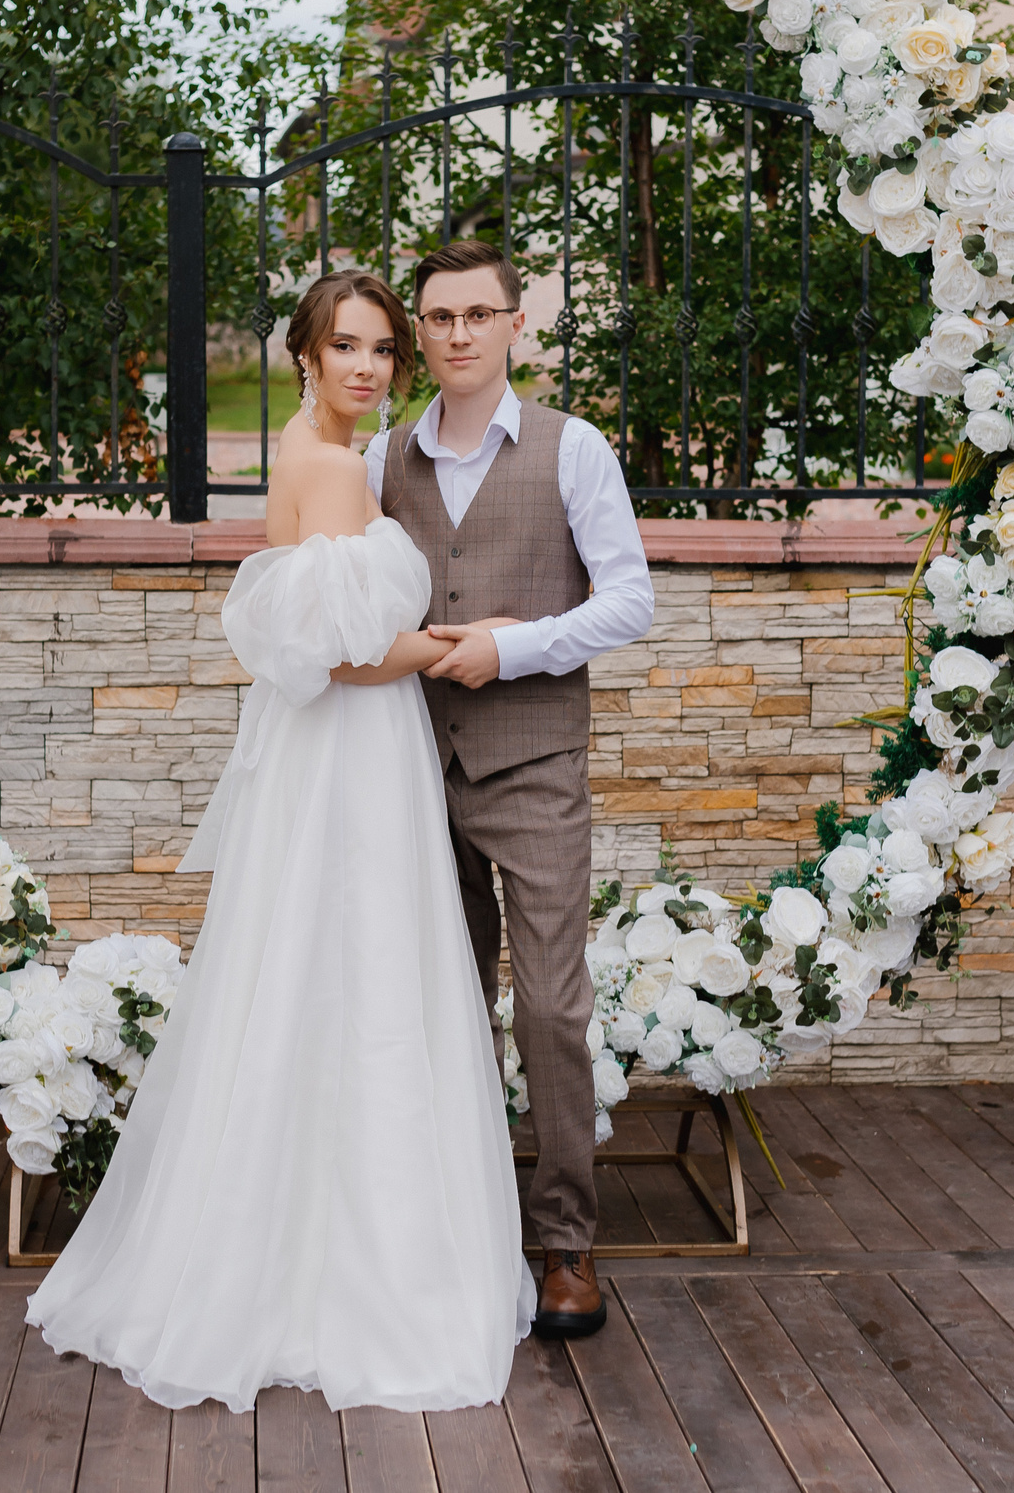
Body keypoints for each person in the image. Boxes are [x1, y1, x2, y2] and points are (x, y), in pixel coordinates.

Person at [25, 270, 534, 1413]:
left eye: (382, 349)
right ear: (304, 353)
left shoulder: (315, 452)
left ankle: (287, 1242)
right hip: (351, 751)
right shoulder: (331, 466)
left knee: (310, 971)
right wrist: (470, 637)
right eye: (345, 346)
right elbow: (349, 659)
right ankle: (349, 1275)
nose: (368, 367)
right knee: (359, 969)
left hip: (333, 754)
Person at [370, 240, 655, 1340]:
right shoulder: (383, 458)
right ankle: (455, 1226)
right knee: (433, 1005)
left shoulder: (571, 448)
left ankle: (566, 1241)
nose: (457, 335)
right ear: (420, 332)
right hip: (410, 763)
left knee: (547, 1006)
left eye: (477, 315)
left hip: (532, 765)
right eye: (438, 318)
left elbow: (629, 601)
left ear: (513, 325)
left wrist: (515, 646)